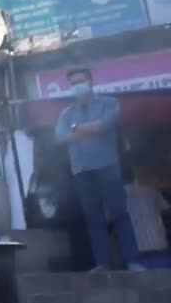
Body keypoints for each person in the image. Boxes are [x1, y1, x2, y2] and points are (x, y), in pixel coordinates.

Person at [54, 68, 144, 271]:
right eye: (74, 83)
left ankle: (133, 262)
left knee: (120, 214)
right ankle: (102, 264)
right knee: (93, 218)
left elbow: (104, 125)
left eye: (81, 81)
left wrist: (77, 128)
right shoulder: (66, 113)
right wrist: (88, 129)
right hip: (82, 171)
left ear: (91, 81)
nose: (78, 86)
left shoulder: (108, 103)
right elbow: (60, 137)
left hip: (107, 167)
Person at [125, 166, 169, 268]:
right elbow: (166, 209)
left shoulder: (121, 192)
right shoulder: (151, 190)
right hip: (157, 247)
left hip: (137, 250)